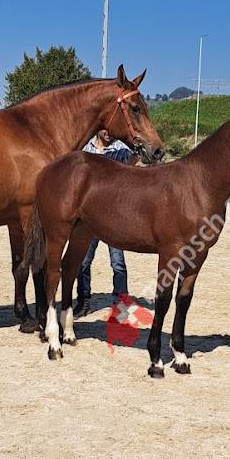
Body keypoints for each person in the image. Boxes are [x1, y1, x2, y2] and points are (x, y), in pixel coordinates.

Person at [73, 128, 133, 317]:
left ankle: (121, 305)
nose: (109, 133)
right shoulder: (85, 150)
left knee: (118, 263)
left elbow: (132, 170)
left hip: (114, 218)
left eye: (112, 130)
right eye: (105, 129)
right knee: (82, 262)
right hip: (89, 218)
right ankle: (83, 301)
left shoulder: (121, 151)